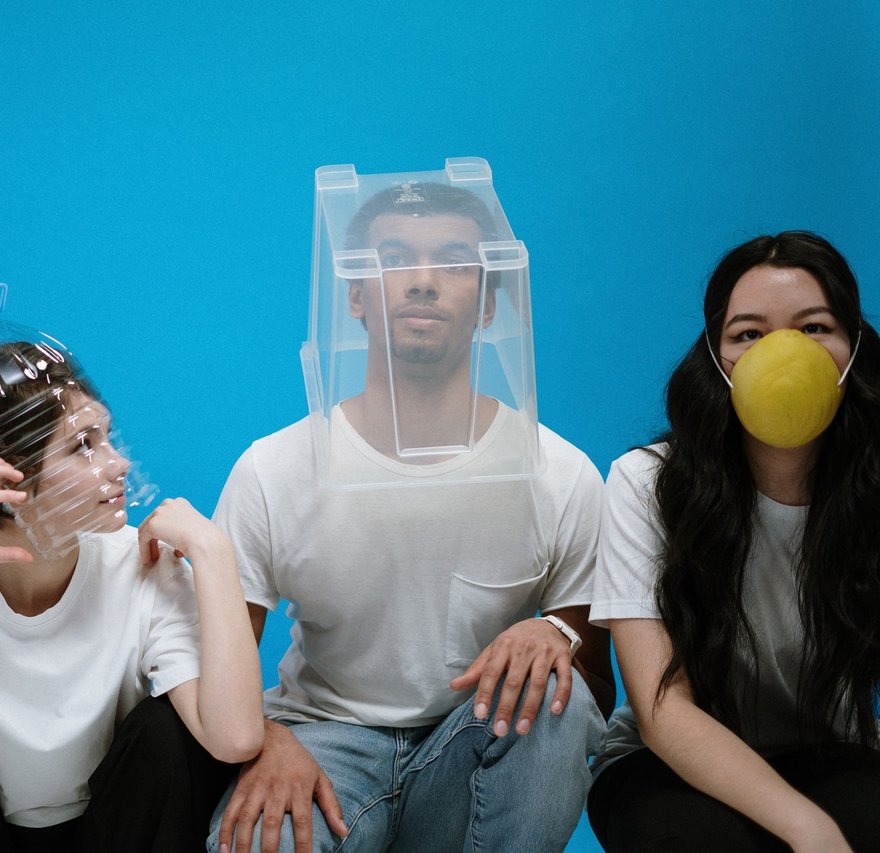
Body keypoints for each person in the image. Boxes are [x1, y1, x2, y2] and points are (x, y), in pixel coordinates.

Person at [210, 178, 614, 852]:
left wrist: (555, 637)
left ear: (488, 303)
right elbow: (207, 668)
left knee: (559, 697)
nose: (422, 282)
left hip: (477, 736)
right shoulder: (273, 467)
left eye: (454, 262)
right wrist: (266, 740)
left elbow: (595, 684)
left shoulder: (563, 473)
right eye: (393, 260)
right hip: (323, 745)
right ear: (356, 296)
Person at [0, 330, 264, 853]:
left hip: (111, 829)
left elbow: (235, 739)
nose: (118, 465)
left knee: (169, 730)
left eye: (108, 438)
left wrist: (213, 553)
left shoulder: (140, 563)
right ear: (5, 476)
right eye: (83, 446)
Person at [587, 231, 880, 851]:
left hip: (833, 749)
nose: (783, 354)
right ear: (715, 358)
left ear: (853, 348)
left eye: (814, 328)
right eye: (749, 334)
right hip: (665, 762)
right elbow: (663, 711)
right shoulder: (645, 482)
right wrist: (810, 830)